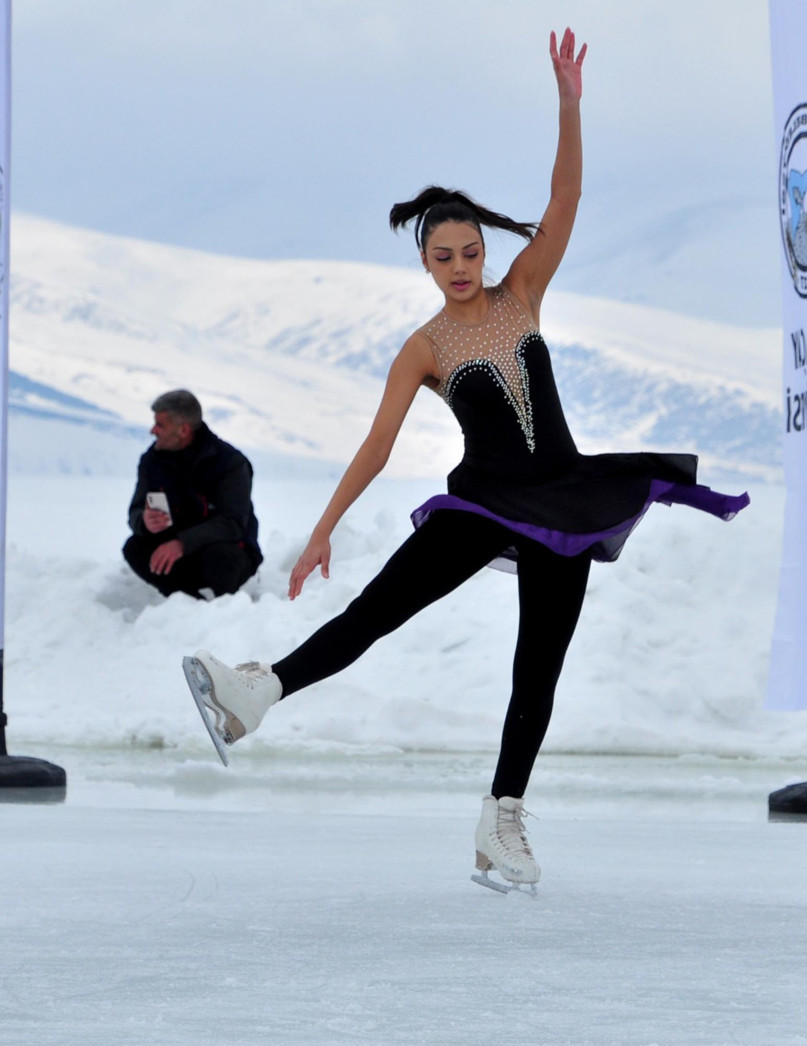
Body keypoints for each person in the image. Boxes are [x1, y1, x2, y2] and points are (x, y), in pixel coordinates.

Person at [182, 30, 749, 889]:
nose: (459, 267)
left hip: (567, 501)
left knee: (539, 667)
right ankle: (256, 695)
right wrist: (324, 528)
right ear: (423, 260)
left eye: (470, 252)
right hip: (484, 502)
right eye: (443, 257)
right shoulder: (425, 346)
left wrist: (568, 102)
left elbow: (567, 195)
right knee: (377, 613)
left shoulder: (523, 293)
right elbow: (377, 446)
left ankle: (502, 823)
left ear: (486, 249)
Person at [124, 389, 263, 599]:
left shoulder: (230, 463)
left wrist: (182, 542)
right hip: (178, 556)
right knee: (134, 547)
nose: (153, 431)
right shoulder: (151, 460)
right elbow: (135, 511)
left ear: (183, 430)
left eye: (160, 425)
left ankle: (223, 608)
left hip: (225, 553)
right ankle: (185, 602)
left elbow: (232, 524)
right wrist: (144, 521)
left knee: (220, 557)